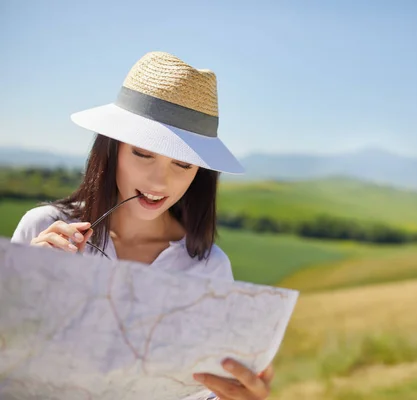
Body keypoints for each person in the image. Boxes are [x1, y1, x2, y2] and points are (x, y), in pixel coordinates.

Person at [10, 51, 274, 400]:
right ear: (112, 149)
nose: (159, 181)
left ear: (200, 174)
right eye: (143, 154)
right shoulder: (43, 229)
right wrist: (20, 290)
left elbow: (197, 392)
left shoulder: (208, 267)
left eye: (182, 164)